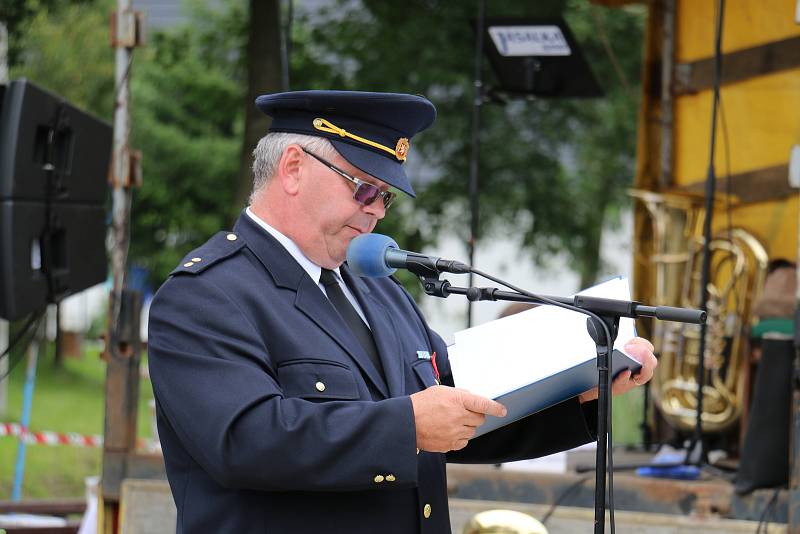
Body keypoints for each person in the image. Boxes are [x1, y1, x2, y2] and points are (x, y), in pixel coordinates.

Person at [147, 90, 656, 534]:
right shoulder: (207, 294)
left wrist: (580, 395)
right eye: (364, 188)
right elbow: (245, 441)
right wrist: (406, 426)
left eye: (385, 197)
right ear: (294, 168)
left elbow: (458, 413)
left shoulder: (376, 289)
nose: (376, 209)